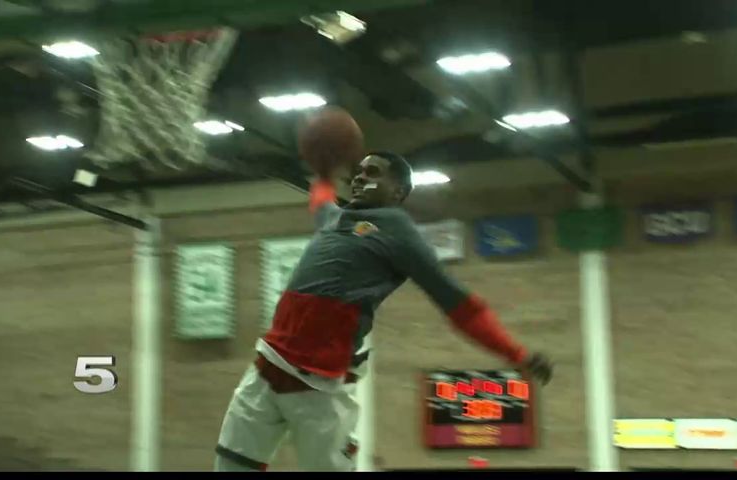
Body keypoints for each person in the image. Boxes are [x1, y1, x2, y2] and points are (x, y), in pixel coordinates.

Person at [214, 151, 553, 472]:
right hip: (267, 366)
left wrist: (515, 353)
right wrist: (324, 171)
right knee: (231, 464)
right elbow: (321, 201)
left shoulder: (397, 229)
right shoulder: (334, 217)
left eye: (372, 172)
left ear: (398, 192)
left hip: (320, 383)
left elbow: (460, 304)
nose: (360, 178)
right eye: (358, 172)